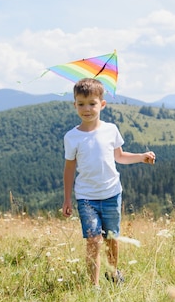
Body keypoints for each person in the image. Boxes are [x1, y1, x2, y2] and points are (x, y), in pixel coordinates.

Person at [62, 78, 155, 287]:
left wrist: (141, 156)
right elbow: (69, 168)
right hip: (87, 197)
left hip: (112, 193)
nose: (87, 109)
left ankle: (113, 274)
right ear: (74, 105)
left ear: (102, 104)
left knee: (112, 238)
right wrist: (67, 199)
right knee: (93, 240)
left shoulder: (111, 130)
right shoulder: (72, 137)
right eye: (81, 104)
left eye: (92, 103)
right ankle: (93, 287)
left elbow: (120, 157)